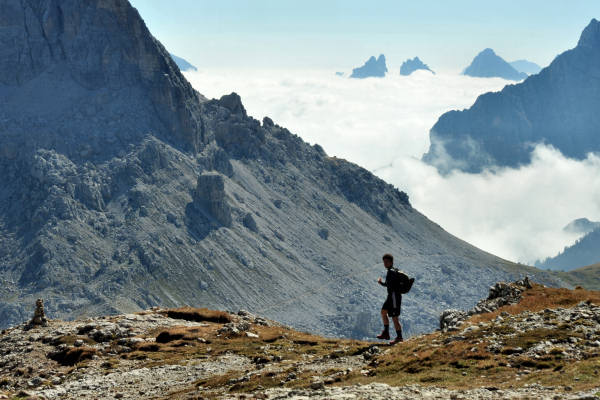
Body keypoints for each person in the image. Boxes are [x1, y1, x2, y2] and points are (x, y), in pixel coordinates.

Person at [376, 253, 403, 344]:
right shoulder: (391, 271)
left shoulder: (392, 272)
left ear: (391, 262)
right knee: (383, 312)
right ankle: (386, 333)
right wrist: (382, 283)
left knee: (395, 317)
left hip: (394, 297)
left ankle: (399, 337)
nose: (385, 263)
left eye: (387, 262)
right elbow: (389, 284)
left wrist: (382, 283)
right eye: (384, 262)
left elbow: (390, 284)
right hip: (390, 297)